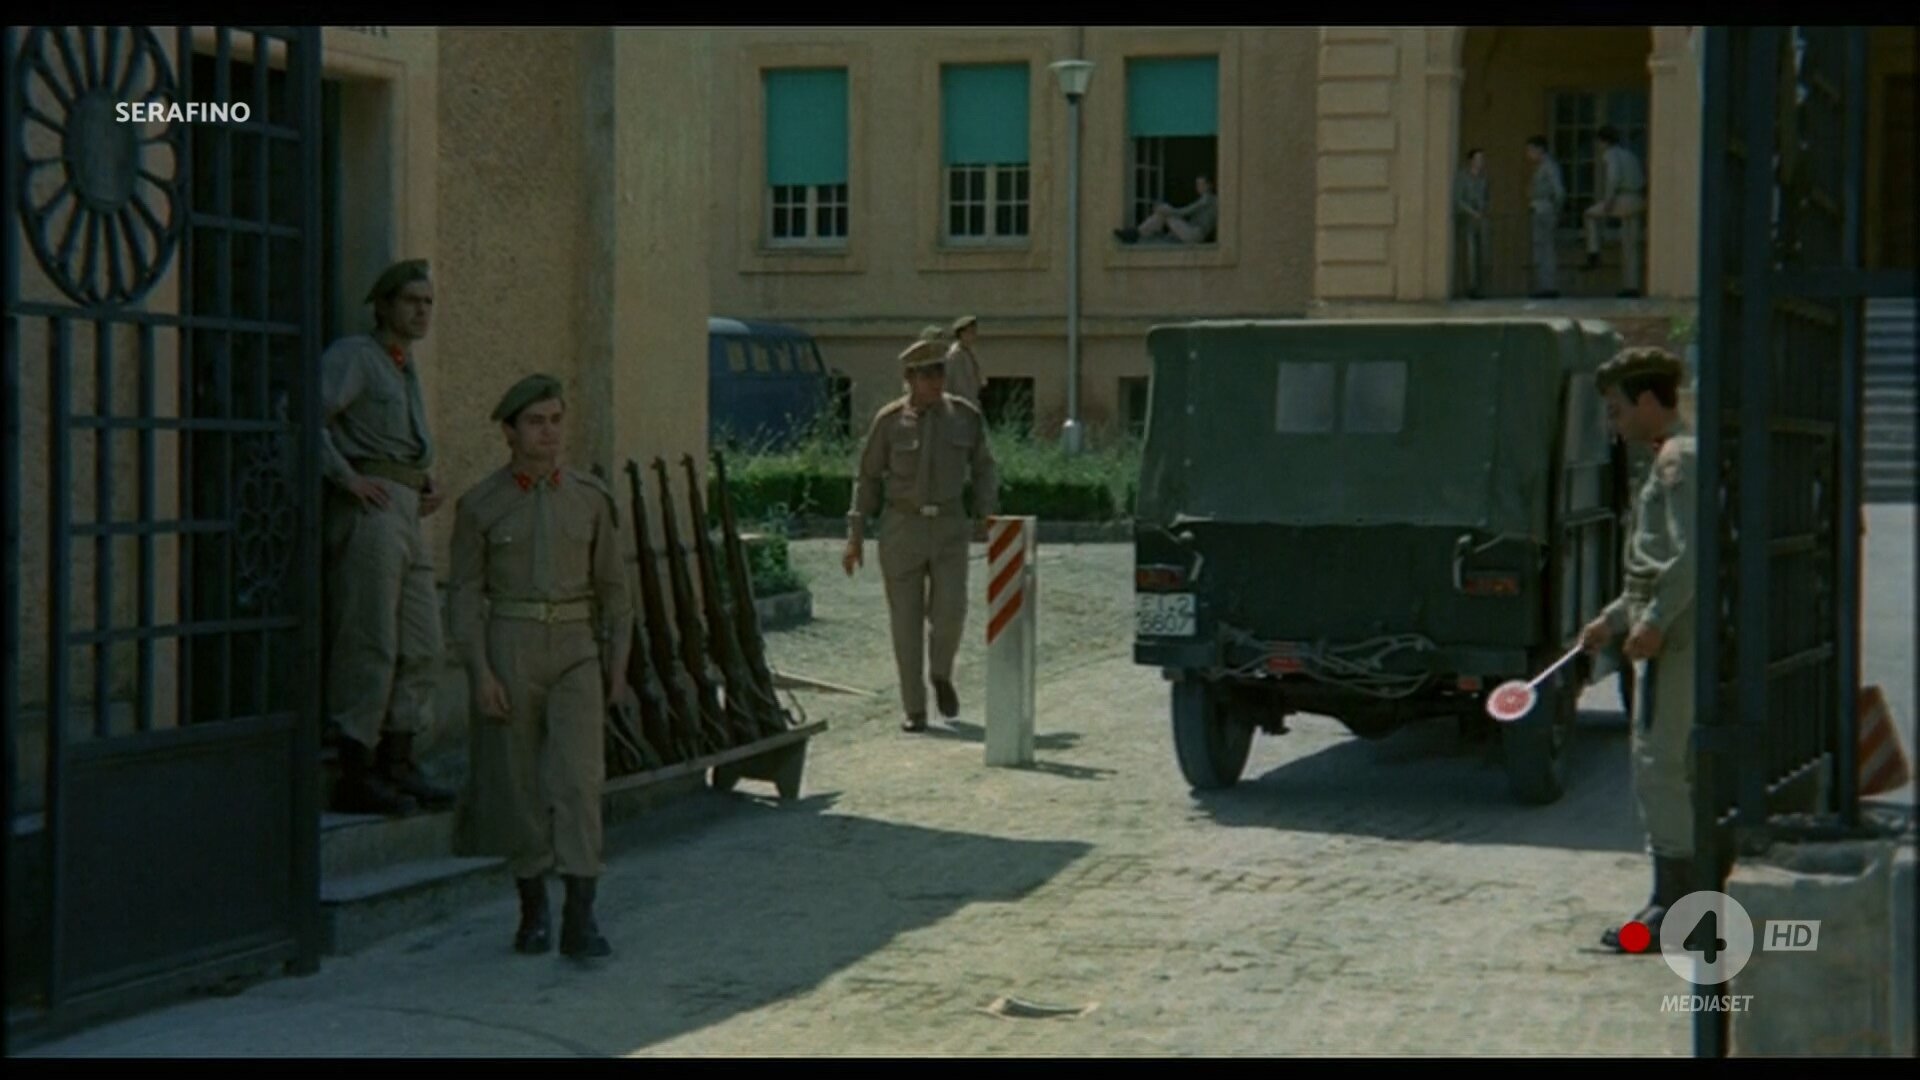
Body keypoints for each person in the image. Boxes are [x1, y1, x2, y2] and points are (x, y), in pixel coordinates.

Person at [448, 374, 634, 959]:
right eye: (535, 422)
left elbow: (616, 591)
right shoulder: (481, 505)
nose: (548, 433)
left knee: (579, 779)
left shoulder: (590, 498)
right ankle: (532, 909)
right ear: (509, 432)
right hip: (511, 642)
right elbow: (464, 597)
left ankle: (582, 913)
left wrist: (618, 667)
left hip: (576, 646)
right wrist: (479, 672)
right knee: (518, 783)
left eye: (555, 420)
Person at [320, 258, 455, 816]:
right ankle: (356, 765)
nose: (422, 312)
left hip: (406, 512)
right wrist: (345, 477)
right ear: (383, 306)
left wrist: (424, 480)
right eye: (411, 301)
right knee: (370, 638)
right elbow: (304, 415)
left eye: (428, 302)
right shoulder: (356, 356)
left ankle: (399, 758)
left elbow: (402, 443)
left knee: (423, 642)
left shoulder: (403, 366)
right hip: (371, 514)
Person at [1578, 347, 1701, 954]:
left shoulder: (1678, 460)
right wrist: (1613, 619)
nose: (1614, 422)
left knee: (1660, 765)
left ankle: (1675, 908)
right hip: (1667, 631)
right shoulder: (1668, 457)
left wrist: (1650, 623)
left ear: (1649, 401)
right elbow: (1653, 567)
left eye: (1618, 409)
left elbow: (1690, 556)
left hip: (1677, 640)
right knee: (1664, 764)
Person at [843, 340, 1000, 732]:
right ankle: (914, 708)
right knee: (905, 624)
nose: (935, 381)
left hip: (949, 526)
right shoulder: (890, 421)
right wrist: (855, 535)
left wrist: (987, 513)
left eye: (940, 372)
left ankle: (941, 674)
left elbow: (984, 467)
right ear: (909, 378)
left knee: (951, 611)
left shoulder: (964, 417)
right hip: (902, 528)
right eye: (927, 374)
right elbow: (867, 477)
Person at [1583, 126, 1647, 298]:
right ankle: (1631, 286)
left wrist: (1609, 200)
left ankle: (1594, 252)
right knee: (1630, 246)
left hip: (1622, 196)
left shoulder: (1611, 154)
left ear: (1603, 141)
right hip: (1637, 198)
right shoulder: (1630, 155)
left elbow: (1613, 177)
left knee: (1589, 214)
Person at [1114, 175, 1219, 245]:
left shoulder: (1207, 199)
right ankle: (1138, 233)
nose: (1199, 187)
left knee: (1164, 211)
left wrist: (1167, 210)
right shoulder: (1206, 199)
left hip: (1195, 235)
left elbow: (1185, 212)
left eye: (1201, 184)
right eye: (1197, 184)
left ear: (1209, 185)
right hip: (1192, 232)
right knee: (1163, 213)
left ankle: (1136, 233)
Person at [1525, 137, 1566, 299]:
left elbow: (1558, 191)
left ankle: (1548, 286)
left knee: (1545, 249)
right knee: (1540, 248)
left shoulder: (1549, 166)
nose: (1529, 154)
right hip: (1539, 209)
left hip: (1545, 209)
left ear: (1540, 149)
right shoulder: (1541, 167)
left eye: (1531, 150)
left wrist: (1555, 211)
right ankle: (1543, 285)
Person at [1454, 148, 1490, 299]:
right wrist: (1471, 212)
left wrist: (1483, 210)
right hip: (1467, 221)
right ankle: (1469, 287)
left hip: (1481, 220)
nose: (1480, 162)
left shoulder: (1483, 178)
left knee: (1483, 255)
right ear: (1470, 161)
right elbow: (1458, 200)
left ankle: (1480, 288)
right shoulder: (1462, 177)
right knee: (1470, 255)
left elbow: (1486, 197)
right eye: (1477, 159)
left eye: (1482, 159)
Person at [944, 315, 986, 407]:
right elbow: (954, 383)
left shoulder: (969, 352)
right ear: (962, 334)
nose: (974, 335)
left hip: (971, 401)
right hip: (960, 404)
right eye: (971, 332)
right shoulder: (955, 355)